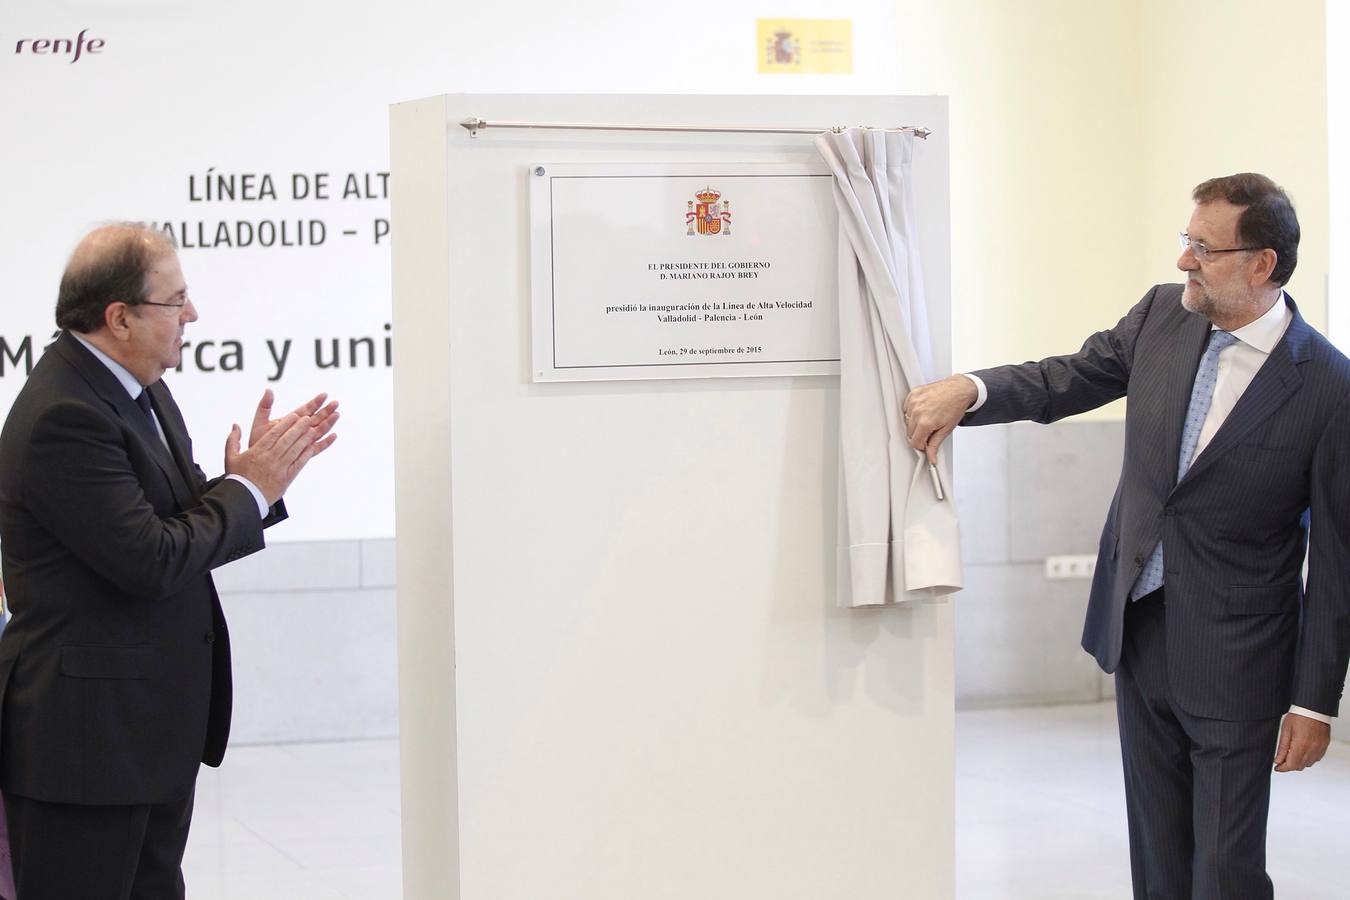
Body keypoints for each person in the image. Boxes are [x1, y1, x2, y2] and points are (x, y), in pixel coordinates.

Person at [904, 173, 1350, 898]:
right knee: (1157, 853)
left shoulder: (1330, 387)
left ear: (1262, 263)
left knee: (1226, 870)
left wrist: (1313, 701)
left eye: (1203, 248)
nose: (1184, 262)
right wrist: (971, 390)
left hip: (1240, 656)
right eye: (1186, 242)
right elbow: (1067, 379)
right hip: (1137, 632)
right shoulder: (1161, 318)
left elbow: (1338, 562)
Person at [0, 223, 339, 899]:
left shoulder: (141, 387)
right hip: (87, 750)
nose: (192, 315)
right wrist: (249, 491)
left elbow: (173, 518)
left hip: (145, 738)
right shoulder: (65, 415)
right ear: (119, 317)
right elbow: (150, 559)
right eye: (175, 300)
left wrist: (251, 482)